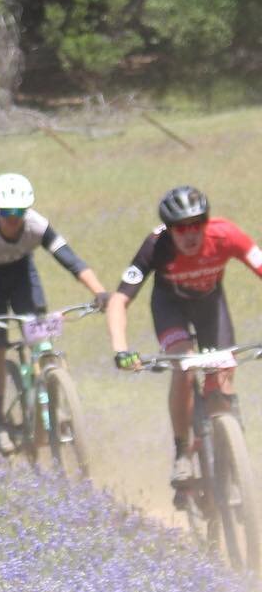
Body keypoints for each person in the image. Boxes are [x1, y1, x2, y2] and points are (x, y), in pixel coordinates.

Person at [106, 185, 262, 493]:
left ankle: (226, 454)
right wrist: (121, 349)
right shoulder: (156, 245)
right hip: (169, 307)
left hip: (210, 306)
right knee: (185, 365)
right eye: (180, 228)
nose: (189, 235)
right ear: (169, 228)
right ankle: (181, 452)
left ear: (206, 222)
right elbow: (118, 300)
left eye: (196, 225)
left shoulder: (227, 235)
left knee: (222, 380)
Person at [0, 172, 108, 455]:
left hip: (22, 275)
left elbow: (71, 261)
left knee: (40, 335)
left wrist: (99, 292)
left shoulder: (37, 225)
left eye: (19, 212)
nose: (13, 219)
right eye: (7, 212)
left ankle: (55, 393)